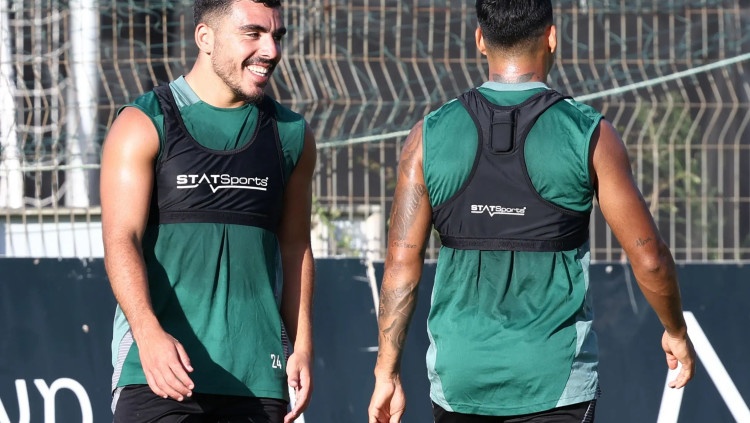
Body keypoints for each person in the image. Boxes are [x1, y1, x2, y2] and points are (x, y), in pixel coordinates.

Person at [368, 1, 696, 422]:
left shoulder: (426, 137)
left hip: (459, 383)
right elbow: (649, 259)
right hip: (555, 383)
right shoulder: (589, 134)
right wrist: (675, 331)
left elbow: (400, 264)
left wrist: (386, 372)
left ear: (480, 40)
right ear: (552, 38)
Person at [100, 1, 315, 422]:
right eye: (253, 34)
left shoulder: (292, 134)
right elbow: (120, 238)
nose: (271, 50)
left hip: (258, 379)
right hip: (158, 374)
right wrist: (147, 333)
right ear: (205, 37)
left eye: (277, 36)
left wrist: (303, 346)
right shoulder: (144, 122)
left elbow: (296, 249)